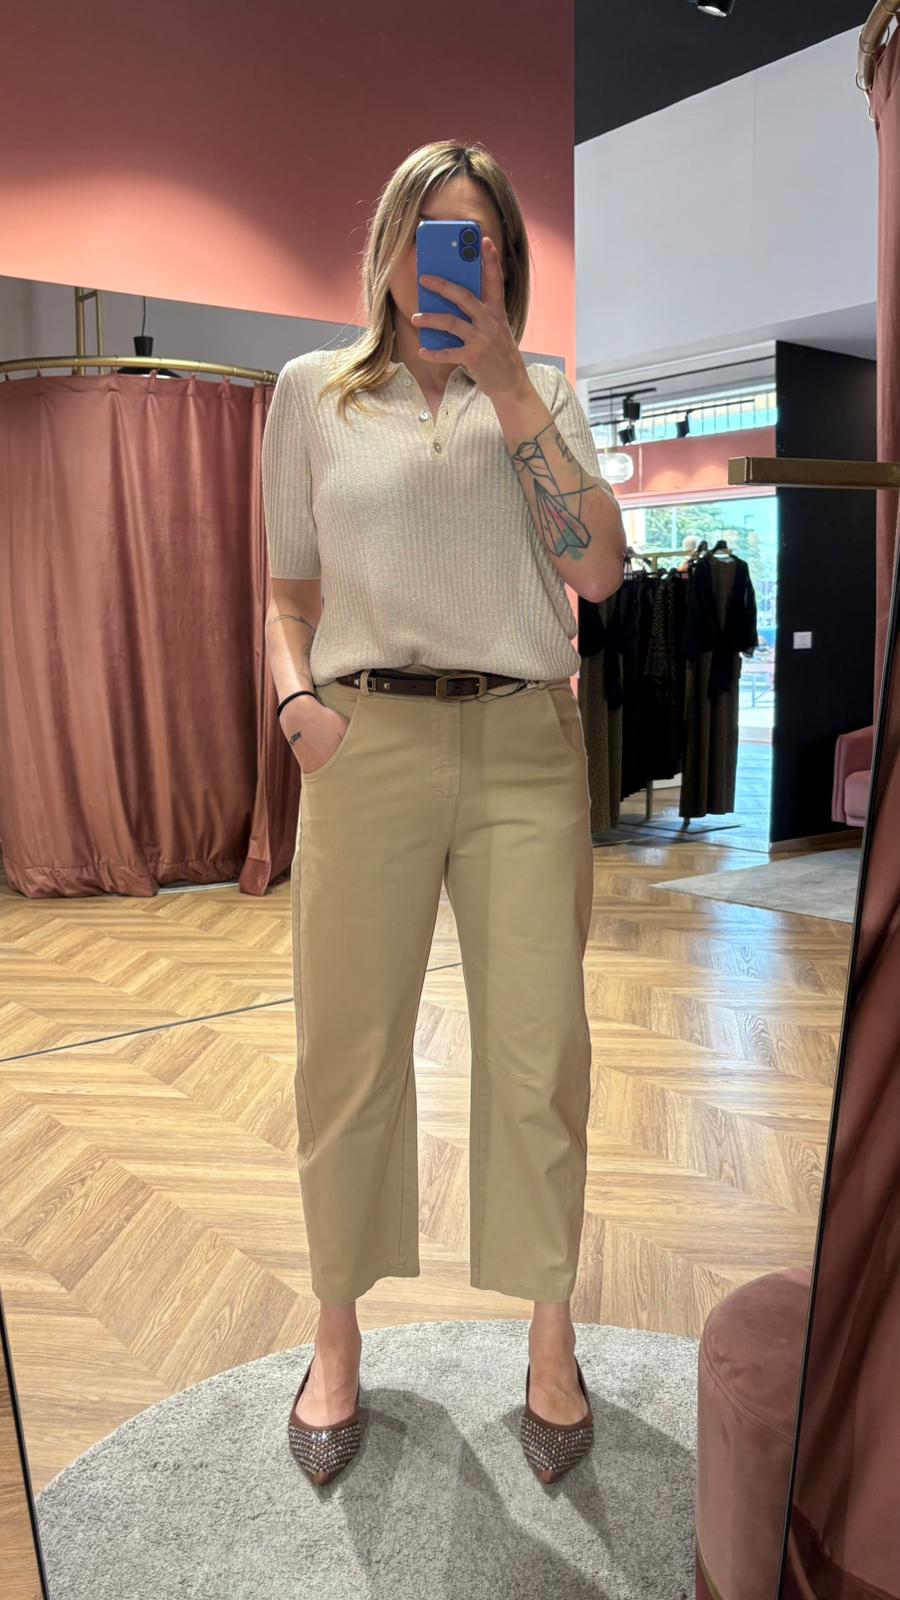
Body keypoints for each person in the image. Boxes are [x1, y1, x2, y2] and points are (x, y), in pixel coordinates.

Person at [262, 139, 627, 1486]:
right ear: (388, 250)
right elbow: (284, 590)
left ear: (508, 263)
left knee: (539, 1054)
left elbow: (601, 572)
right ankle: (336, 1334)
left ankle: (550, 1335)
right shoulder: (312, 393)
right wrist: (297, 705)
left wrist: (510, 383)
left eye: (476, 242)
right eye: (428, 236)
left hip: (525, 744)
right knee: (344, 1052)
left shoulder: (545, 389)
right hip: (365, 743)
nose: (447, 266)